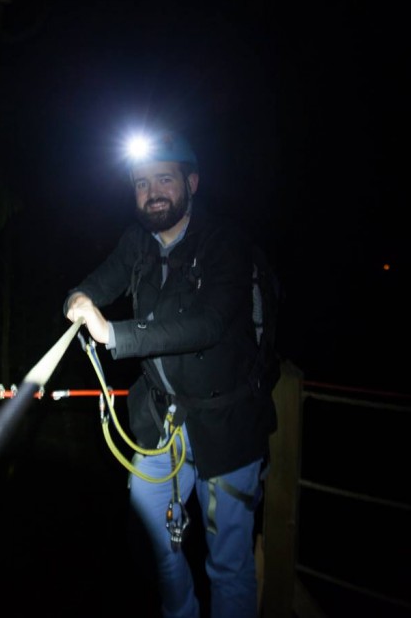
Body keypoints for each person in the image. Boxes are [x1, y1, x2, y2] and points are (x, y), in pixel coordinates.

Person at [64, 128, 277, 618]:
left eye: (164, 179)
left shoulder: (226, 244)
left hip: (228, 427)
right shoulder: (137, 242)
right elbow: (95, 285)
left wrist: (115, 334)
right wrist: (77, 299)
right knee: (160, 553)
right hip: (159, 426)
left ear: (192, 182)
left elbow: (208, 324)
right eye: (141, 183)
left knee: (228, 566)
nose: (152, 193)